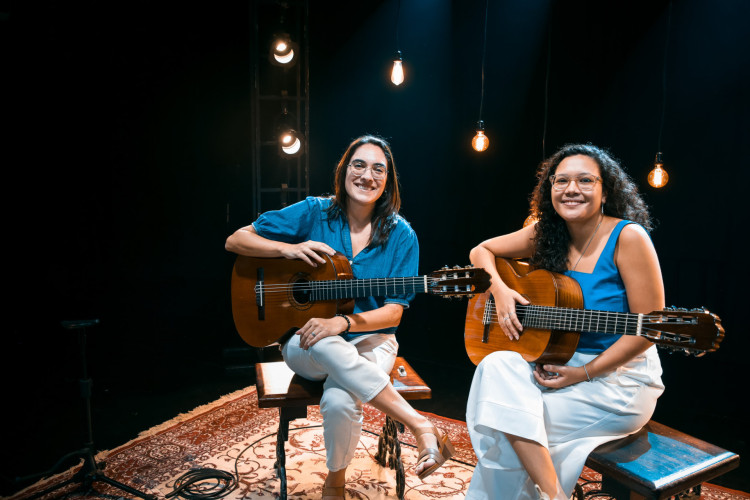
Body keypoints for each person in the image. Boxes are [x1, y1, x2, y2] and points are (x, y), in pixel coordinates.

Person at [225, 135, 454, 500]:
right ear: (344, 171)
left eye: (378, 168)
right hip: (305, 343)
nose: (367, 175)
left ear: (388, 179)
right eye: (358, 165)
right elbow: (236, 240)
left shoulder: (401, 235)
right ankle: (420, 424)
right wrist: (290, 248)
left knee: (339, 400)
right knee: (327, 344)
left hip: (372, 340)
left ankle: (335, 481)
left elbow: (394, 312)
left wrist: (343, 323)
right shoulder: (314, 212)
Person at [465, 143, 665, 500]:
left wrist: (583, 373)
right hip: (557, 363)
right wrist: (500, 291)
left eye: (585, 180)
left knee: (508, 425)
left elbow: (651, 327)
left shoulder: (628, 237)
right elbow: (481, 251)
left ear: (606, 191)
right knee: (496, 366)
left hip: (617, 379)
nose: (571, 189)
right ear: (550, 190)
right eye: (562, 181)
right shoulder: (547, 231)